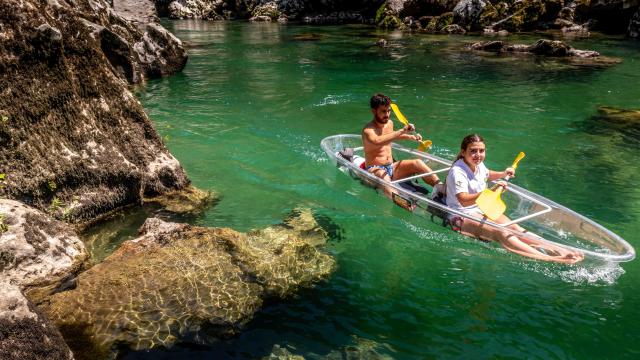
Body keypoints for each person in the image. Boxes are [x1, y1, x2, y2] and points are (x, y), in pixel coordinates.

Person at [445, 134, 584, 263]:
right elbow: (463, 200)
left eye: (481, 151)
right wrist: (488, 191)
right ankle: (551, 259)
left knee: (515, 228)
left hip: (481, 207)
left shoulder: (478, 164)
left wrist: (502, 173)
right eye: (473, 151)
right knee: (501, 232)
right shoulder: (458, 171)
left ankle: (559, 250)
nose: (478, 155)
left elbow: (486, 175)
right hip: (460, 214)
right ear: (463, 152)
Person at [362, 93, 443, 207]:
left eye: (389, 111)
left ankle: (441, 189)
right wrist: (402, 131)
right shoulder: (368, 130)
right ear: (374, 111)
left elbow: (391, 136)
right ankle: (405, 205)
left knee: (417, 163)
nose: (387, 114)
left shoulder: (389, 123)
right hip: (375, 169)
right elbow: (378, 141)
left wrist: (411, 137)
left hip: (392, 166)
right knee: (383, 177)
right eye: (383, 111)